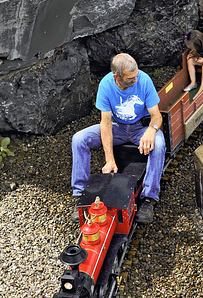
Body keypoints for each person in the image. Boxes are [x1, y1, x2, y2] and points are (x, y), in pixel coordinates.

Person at [70, 53, 165, 223]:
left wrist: (151, 130)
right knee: (79, 139)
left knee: (158, 143)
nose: (135, 81)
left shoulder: (144, 80)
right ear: (117, 77)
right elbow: (105, 123)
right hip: (118, 128)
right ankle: (80, 194)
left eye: (136, 76)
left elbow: (157, 116)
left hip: (140, 128)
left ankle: (149, 198)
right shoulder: (106, 85)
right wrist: (109, 160)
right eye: (130, 79)